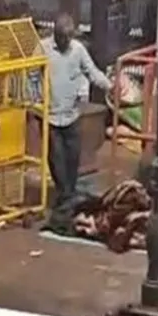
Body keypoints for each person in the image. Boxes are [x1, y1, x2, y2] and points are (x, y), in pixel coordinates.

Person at [41, 13, 113, 234]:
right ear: (55, 34)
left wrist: (110, 85)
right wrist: (34, 100)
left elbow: (91, 72)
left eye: (69, 37)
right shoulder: (43, 49)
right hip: (51, 116)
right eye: (62, 37)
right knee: (57, 163)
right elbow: (31, 75)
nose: (66, 41)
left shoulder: (78, 50)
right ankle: (65, 200)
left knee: (73, 161)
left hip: (71, 115)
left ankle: (68, 200)